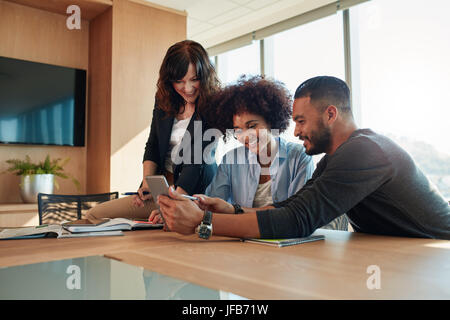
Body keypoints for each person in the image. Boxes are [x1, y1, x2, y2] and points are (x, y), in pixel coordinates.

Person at [154, 76, 450, 240]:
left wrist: (204, 221)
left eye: (302, 121)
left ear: (330, 114)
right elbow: (290, 206)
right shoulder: (335, 159)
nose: (295, 132)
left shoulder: (365, 151)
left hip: (439, 252)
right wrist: (230, 211)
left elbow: (297, 220)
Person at [153, 75, 346, 230]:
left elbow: (296, 216)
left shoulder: (298, 157)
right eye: (237, 130)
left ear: (271, 121)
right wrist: (175, 211)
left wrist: (231, 212)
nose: (245, 136)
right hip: (244, 246)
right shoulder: (231, 160)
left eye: (252, 126)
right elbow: (210, 204)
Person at [86, 40, 220, 221]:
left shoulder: (213, 104)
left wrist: (174, 205)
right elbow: (153, 144)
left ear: (204, 75)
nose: (187, 89)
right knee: (95, 215)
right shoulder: (164, 99)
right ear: (169, 80)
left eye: (194, 79)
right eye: (179, 81)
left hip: (194, 195)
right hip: (163, 190)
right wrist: (147, 183)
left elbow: (196, 162)